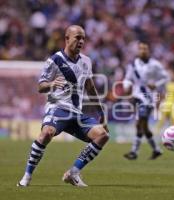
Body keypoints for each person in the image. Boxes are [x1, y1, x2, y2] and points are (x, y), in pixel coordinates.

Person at [17, 25, 109, 187]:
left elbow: (90, 87)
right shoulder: (54, 60)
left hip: (76, 113)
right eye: (77, 37)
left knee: (102, 135)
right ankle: (26, 177)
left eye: (83, 38)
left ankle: (73, 173)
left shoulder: (86, 61)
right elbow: (40, 87)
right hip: (57, 108)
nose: (81, 41)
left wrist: (100, 111)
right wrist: (52, 83)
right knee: (47, 133)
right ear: (67, 39)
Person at [123, 41, 169, 160]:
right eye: (141, 49)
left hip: (148, 99)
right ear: (138, 51)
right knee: (143, 126)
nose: (143, 51)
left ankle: (134, 151)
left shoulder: (155, 64)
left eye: (145, 49)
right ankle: (156, 150)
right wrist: (126, 86)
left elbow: (166, 77)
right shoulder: (132, 65)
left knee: (140, 123)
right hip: (137, 97)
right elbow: (128, 78)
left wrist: (157, 84)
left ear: (149, 50)